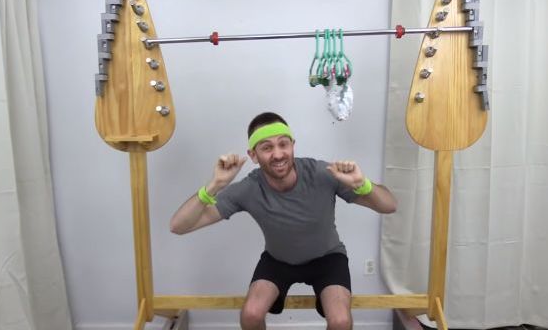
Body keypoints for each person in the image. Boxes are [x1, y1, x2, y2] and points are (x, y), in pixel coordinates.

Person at [170, 112, 397, 330]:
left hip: (328, 258)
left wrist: (363, 184)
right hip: (278, 261)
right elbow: (178, 226)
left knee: (340, 321)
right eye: (267, 147)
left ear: (292, 145)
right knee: (250, 315)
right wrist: (214, 186)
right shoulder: (249, 188)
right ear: (253, 155)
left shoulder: (321, 173)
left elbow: (389, 205)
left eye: (283, 144)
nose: (278, 154)